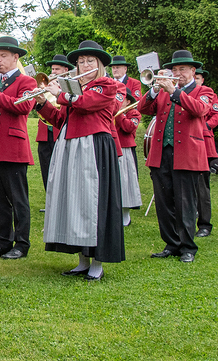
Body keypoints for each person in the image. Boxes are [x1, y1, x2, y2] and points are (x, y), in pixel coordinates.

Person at [35, 40, 124, 281]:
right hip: (70, 146)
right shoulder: (73, 87)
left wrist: (60, 93)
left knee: (93, 202)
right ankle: (82, 261)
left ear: (99, 64)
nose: (85, 65)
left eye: (90, 61)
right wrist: (42, 103)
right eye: (81, 61)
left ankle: (97, 263)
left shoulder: (107, 85)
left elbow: (86, 104)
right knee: (74, 201)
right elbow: (59, 119)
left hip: (94, 147)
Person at [138, 51, 209, 263]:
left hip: (187, 154)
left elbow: (200, 110)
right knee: (164, 202)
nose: (178, 73)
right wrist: (154, 90)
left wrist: (174, 92)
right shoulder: (162, 91)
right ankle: (171, 243)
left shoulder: (203, 91)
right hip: (161, 153)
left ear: (193, 71)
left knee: (185, 202)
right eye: (175, 70)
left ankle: (188, 247)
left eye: (182, 69)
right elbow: (143, 108)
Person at [0, 36, 36, 260]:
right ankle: (3, 241)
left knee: (18, 199)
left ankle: (22, 244)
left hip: (13, 149)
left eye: (3, 56)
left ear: (15, 57)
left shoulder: (26, 82)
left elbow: (24, 106)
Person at [35, 55, 73, 192]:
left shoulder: (70, 85)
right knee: (46, 168)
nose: (53, 72)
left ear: (65, 70)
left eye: (57, 69)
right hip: (44, 133)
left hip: (60, 132)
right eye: (52, 69)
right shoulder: (48, 84)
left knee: (62, 170)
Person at [192, 67, 218, 237]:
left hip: (203, 142)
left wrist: (203, 126)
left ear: (202, 80)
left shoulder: (208, 93)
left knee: (202, 185)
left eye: (197, 77)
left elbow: (217, 116)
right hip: (185, 143)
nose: (195, 80)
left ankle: (204, 224)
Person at [113, 73, 142, 227]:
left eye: (121, 99)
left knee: (125, 182)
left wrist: (119, 114)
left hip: (125, 150)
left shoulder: (134, 113)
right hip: (112, 148)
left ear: (128, 101)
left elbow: (129, 127)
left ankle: (126, 215)